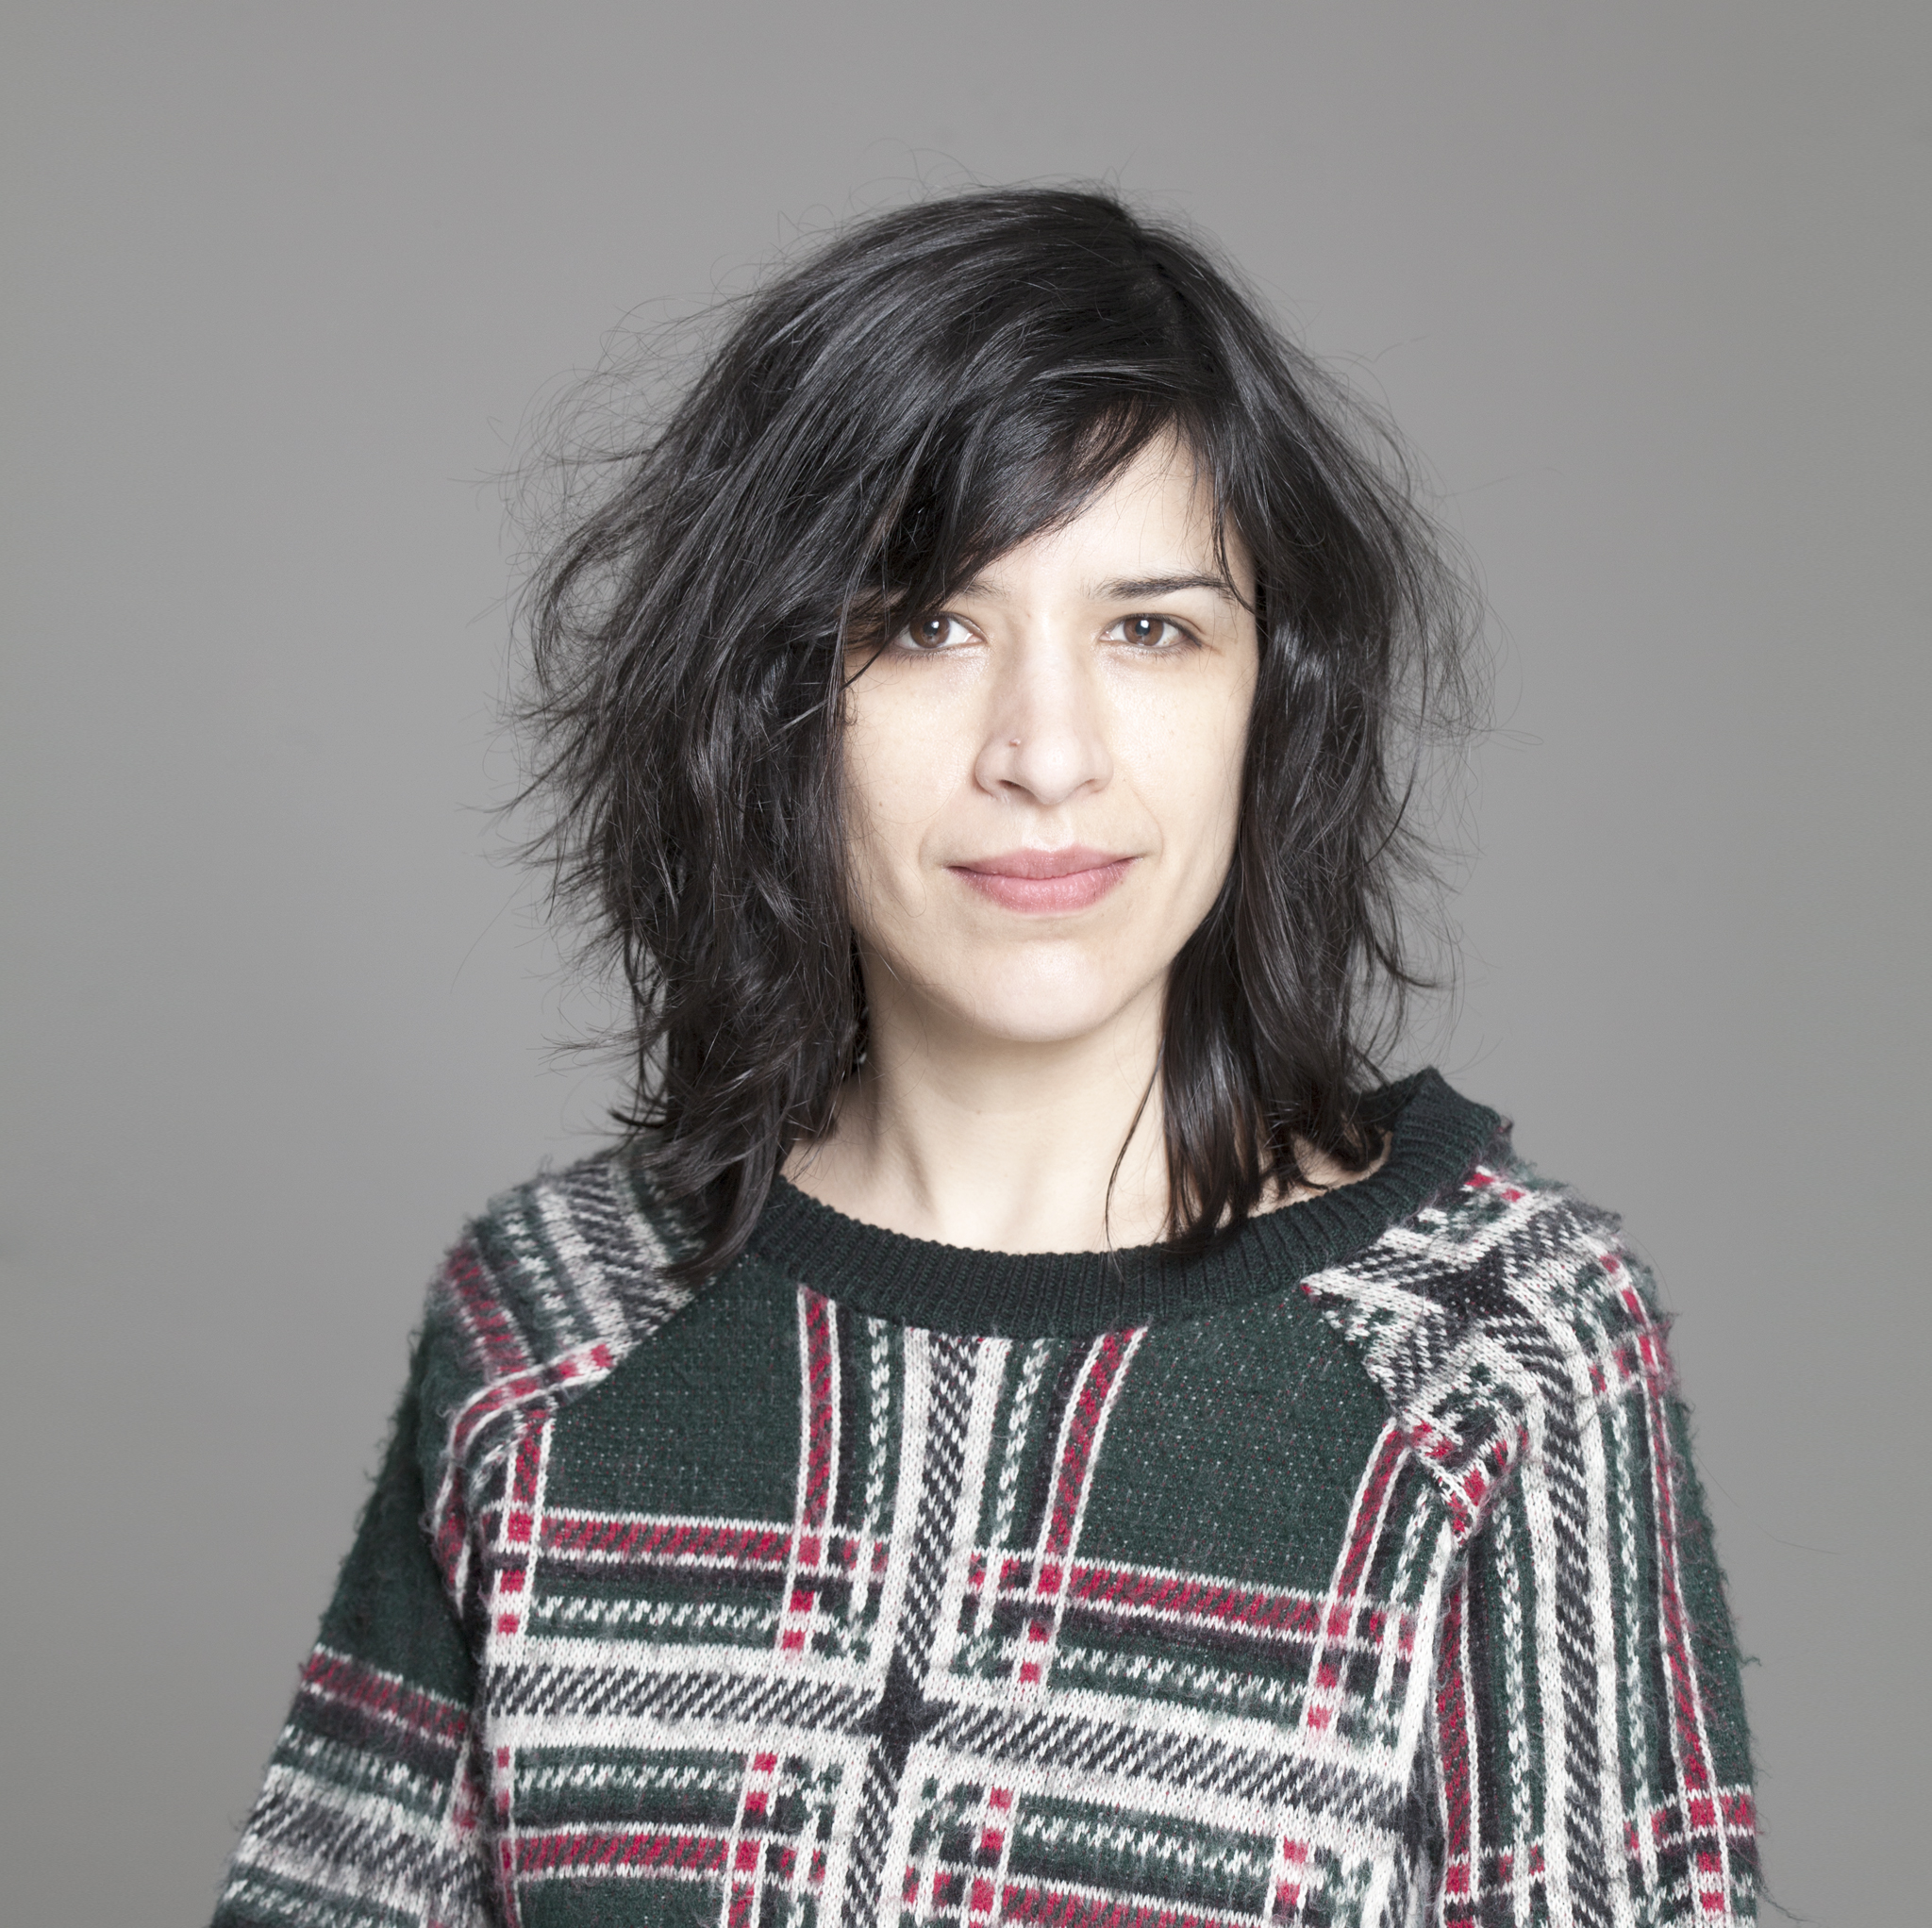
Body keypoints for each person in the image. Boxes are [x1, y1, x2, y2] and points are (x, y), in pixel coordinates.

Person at [211, 188, 1757, 1928]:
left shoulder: (1497, 1359)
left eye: (1151, 628)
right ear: (770, 694)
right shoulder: (550, 1325)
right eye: (928, 624)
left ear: (1274, 695)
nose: (1046, 751)